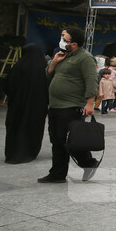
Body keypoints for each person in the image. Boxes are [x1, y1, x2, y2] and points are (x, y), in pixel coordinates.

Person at [38, 27, 99, 183]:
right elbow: (48, 73)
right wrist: (55, 61)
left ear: (74, 43)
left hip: (71, 106)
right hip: (55, 105)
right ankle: (57, 174)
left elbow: (91, 81)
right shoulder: (63, 56)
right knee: (56, 140)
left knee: (69, 141)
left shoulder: (85, 58)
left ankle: (88, 162)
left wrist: (90, 103)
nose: (62, 41)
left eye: (65, 39)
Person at [3, 43, 48, 164]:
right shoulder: (44, 68)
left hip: (17, 106)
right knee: (33, 127)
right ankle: (30, 151)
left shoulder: (18, 66)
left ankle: (13, 153)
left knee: (15, 127)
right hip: (38, 106)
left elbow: (7, 85)